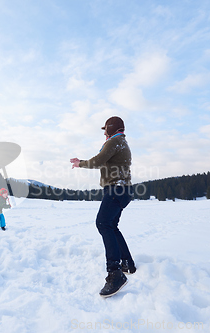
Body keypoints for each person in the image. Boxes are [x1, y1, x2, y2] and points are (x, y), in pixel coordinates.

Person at [70, 116, 136, 298]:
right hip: (122, 190)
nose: (104, 132)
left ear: (111, 128)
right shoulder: (120, 142)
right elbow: (103, 159)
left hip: (116, 189)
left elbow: (99, 160)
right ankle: (127, 263)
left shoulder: (114, 141)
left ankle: (115, 273)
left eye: (105, 129)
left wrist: (80, 163)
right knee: (111, 226)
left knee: (103, 223)